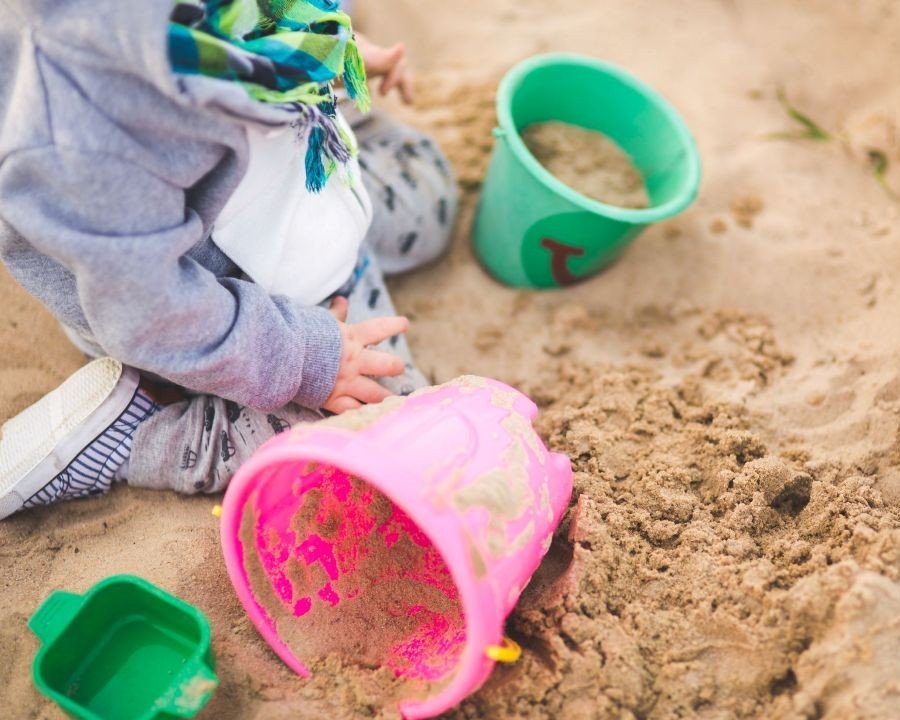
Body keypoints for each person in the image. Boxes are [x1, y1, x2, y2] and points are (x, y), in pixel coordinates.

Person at [0, 0, 457, 518]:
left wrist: (326, 54)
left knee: (433, 197)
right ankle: (138, 434)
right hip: (233, 311)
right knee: (388, 423)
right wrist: (308, 360)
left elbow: (265, 19)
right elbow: (152, 314)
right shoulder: (79, 127)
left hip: (297, 189)